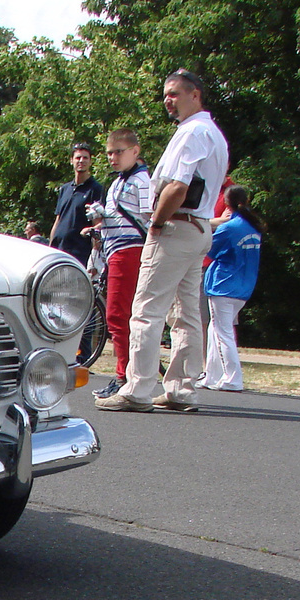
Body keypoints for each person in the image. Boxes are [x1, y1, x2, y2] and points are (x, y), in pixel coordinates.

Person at [96, 68, 228, 413]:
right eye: (166, 94)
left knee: (146, 310)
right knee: (186, 314)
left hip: (177, 227)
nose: (168, 100)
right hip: (198, 228)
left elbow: (178, 186)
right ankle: (182, 389)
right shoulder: (213, 133)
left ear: (194, 94)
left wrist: (155, 222)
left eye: (175, 93)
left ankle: (137, 388)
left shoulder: (192, 132)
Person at [86, 128, 152, 398]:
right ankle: (126, 372)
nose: (113, 158)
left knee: (117, 314)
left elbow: (149, 217)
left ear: (135, 151)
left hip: (129, 251)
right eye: (110, 153)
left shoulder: (141, 180)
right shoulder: (117, 183)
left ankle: (124, 375)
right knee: (119, 315)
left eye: (119, 152)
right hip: (115, 251)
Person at [201, 185, 264, 391]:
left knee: (222, 332)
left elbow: (207, 249)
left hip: (223, 285)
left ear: (226, 204)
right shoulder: (253, 227)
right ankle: (212, 375)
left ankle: (232, 377)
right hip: (244, 286)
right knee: (216, 328)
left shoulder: (228, 228)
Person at [49, 142, 104, 266]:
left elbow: (98, 225)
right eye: (78, 157)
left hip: (80, 254)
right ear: (71, 160)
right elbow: (58, 220)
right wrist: (50, 246)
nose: (81, 161)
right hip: (59, 251)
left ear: (90, 162)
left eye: (85, 158)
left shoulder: (96, 189)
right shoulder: (65, 189)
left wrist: (95, 260)